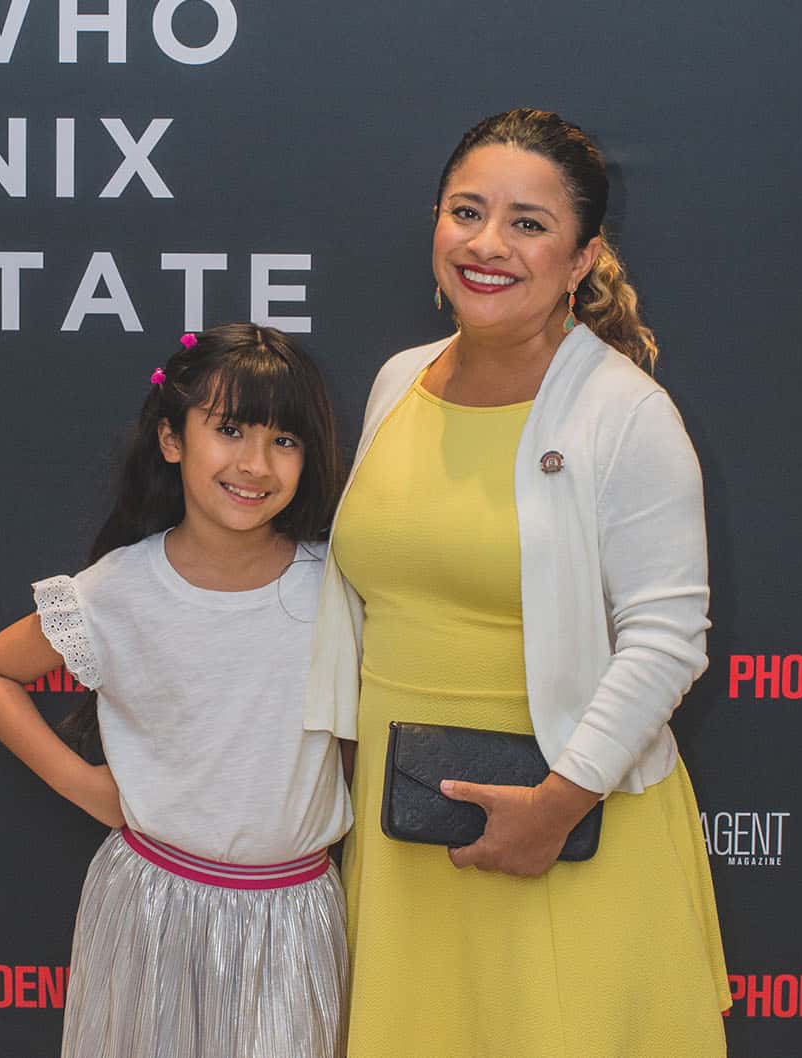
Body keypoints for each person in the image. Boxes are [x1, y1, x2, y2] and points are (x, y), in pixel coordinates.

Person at [303, 109, 731, 1057]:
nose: (487, 244)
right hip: (403, 835)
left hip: (566, 838)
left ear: (581, 259)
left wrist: (556, 807)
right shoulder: (397, 383)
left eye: (527, 223)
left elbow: (666, 641)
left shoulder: (625, 413)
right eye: (466, 211)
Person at [0, 323, 353, 1058]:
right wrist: (86, 786)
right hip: (151, 908)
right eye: (229, 430)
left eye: (284, 440)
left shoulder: (335, 584)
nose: (255, 464)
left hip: (294, 916)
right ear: (172, 438)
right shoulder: (120, 588)